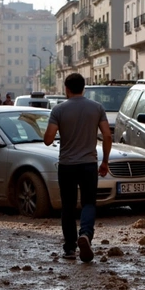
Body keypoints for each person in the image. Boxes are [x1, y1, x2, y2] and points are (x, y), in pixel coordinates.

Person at [43, 73, 111, 262]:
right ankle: (86, 235)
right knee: (89, 202)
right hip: (89, 164)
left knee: (68, 206)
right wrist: (105, 161)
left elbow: (48, 140)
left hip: (67, 165)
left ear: (66, 89)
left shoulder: (58, 110)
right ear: (84, 88)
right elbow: (107, 135)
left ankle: (70, 249)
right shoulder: (97, 108)